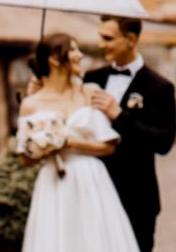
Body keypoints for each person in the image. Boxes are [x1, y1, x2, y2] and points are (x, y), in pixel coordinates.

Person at [17, 34, 140, 252]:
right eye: (73, 50)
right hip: (54, 181)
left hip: (92, 179)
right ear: (55, 59)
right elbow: (25, 160)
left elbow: (109, 147)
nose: (80, 55)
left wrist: (68, 143)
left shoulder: (90, 92)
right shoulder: (31, 104)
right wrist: (43, 144)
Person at [82, 16, 176, 252]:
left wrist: (119, 116)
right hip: (94, 192)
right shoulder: (91, 79)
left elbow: (163, 142)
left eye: (108, 38)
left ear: (131, 39)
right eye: (100, 38)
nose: (102, 44)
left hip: (137, 198)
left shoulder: (159, 87)